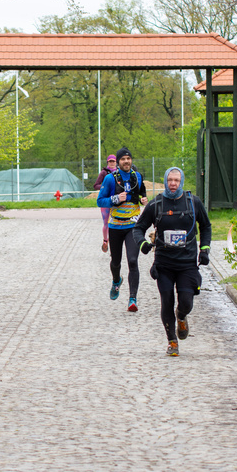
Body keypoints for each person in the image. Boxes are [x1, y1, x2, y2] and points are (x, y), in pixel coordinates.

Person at [133, 166, 211, 357]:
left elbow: (206, 226)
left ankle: (182, 316)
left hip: (186, 263)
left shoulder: (193, 202)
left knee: (185, 302)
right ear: (166, 181)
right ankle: (172, 342)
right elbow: (138, 228)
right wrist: (143, 243)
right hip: (164, 263)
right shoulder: (156, 204)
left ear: (181, 181)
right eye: (170, 180)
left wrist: (205, 249)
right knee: (166, 302)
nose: (173, 184)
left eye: (176, 180)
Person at [96, 147, 148, 312]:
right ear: (118, 162)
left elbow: (140, 195)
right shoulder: (111, 179)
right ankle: (116, 280)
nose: (126, 161)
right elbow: (100, 201)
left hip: (133, 226)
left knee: (133, 261)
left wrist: (143, 200)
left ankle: (133, 299)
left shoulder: (137, 177)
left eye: (129, 158)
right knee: (116, 262)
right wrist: (115, 198)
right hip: (115, 226)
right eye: (123, 159)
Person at [94, 154, 118, 252]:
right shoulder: (104, 173)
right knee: (106, 223)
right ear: (107, 162)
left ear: (116, 162)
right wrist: (105, 186)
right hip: (105, 201)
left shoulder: (119, 172)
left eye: (113, 161)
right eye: (110, 161)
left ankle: (114, 243)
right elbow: (95, 185)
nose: (112, 163)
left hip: (116, 201)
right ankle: (105, 241)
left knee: (115, 222)